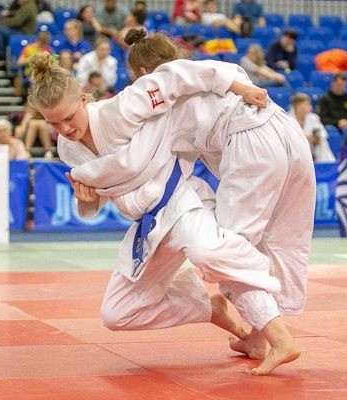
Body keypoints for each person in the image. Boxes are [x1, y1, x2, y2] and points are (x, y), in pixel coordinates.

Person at [49, 28, 315, 374]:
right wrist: (87, 187)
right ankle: (256, 336)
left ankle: (277, 338)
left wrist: (241, 87)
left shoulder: (159, 88)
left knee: (227, 250)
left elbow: (176, 79)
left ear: (142, 73)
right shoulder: (191, 85)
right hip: (285, 132)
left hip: (247, 142)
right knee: (278, 238)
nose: (64, 129)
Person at [290, 92, 336, 162]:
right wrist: (304, 138)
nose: (308, 107)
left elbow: (322, 133)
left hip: (310, 147)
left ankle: (326, 164)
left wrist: (316, 137)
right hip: (294, 148)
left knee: (323, 143)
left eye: (307, 104)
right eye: (304, 105)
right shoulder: (288, 119)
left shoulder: (313, 118)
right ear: (296, 106)